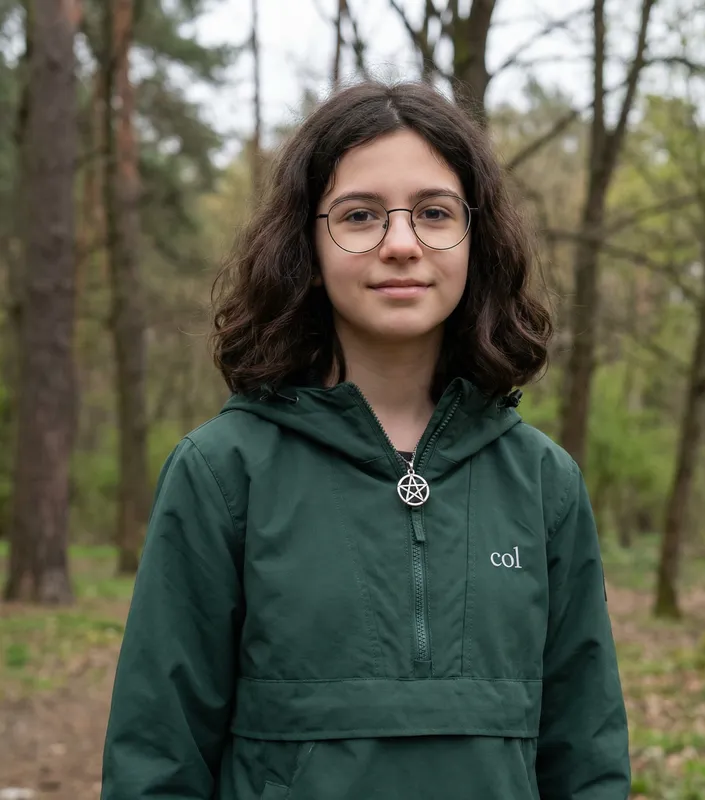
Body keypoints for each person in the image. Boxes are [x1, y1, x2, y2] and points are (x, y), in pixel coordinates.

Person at [101, 80, 630, 800]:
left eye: (435, 213)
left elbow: (587, 758)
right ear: (307, 245)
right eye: (360, 215)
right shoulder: (223, 474)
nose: (402, 244)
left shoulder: (543, 483)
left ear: (476, 237)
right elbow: (155, 761)